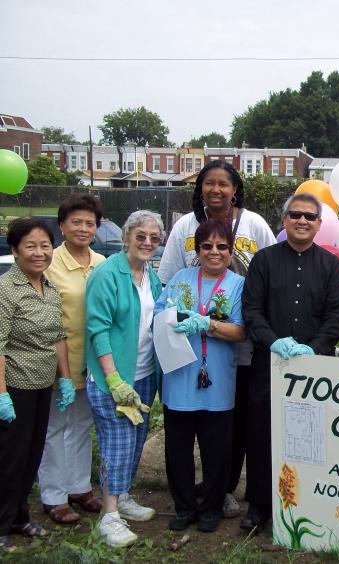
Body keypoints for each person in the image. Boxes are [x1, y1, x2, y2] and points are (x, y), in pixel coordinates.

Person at [158, 160, 275, 518]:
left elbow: (270, 267)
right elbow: (169, 281)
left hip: (239, 347)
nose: (217, 190)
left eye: (224, 184)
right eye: (209, 183)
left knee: (230, 426)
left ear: (235, 189)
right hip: (189, 353)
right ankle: (201, 495)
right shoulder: (184, 226)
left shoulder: (254, 223)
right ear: (201, 188)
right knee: (193, 426)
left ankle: (220, 490)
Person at [241, 193, 339, 532]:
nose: (302, 221)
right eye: (296, 215)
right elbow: (251, 311)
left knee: (309, 438)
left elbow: (337, 316)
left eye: (310, 217)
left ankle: (306, 503)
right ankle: (260, 505)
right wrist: (275, 343)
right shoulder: (263, 261)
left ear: (319, 224)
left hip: (314, 370)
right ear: (285, 220)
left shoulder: (332, 267)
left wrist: (313, 351)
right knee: (261, 435)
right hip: (268, 365)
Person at [155, 219, 246, 533]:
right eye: (207, 246)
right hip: (179, 377)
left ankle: (210, 507)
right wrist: (172, 318)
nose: (214, 252)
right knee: (177, 449)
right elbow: (157, 314)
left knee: (217, 450)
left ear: (231, 250)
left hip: (218, 379)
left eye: (222, 246)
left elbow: (241, 331)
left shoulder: (237, 285)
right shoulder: (180, 278)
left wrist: (207, 324)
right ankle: (184, 507)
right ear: (197, 248)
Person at [85, 210, 163, 548]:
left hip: (144, 375)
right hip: (113, 379)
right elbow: (97, 329)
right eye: (141, 236)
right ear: (127, 236)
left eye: (154, 238)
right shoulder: (107, 274)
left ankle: (123, 495)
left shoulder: (150, 275)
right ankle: (110, 515)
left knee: (135, 441)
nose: (147, 242)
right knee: (117, 444)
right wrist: (114, 379)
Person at [0, 218, 73, 553]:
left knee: (31, 455)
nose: (39, 252)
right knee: (9, 459)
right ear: (15, 250)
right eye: (30, 245)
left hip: (43, 385)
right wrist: (2, 395)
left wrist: (66, 379)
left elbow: (58, 336)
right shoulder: (6, 289)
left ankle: (19, 517)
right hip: (14, 386)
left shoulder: (49, 287)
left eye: (45, 245)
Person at [38, 195, 106, 525]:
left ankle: (79, 487)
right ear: (62, 225)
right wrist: (61, 371)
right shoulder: (49, 264)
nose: (83, 228)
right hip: (58, 363)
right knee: (55, 428)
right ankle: (53, 495)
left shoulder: (102, 262)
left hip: (92, 364)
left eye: (89, 223)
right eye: (76, 222)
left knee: (82, 426)